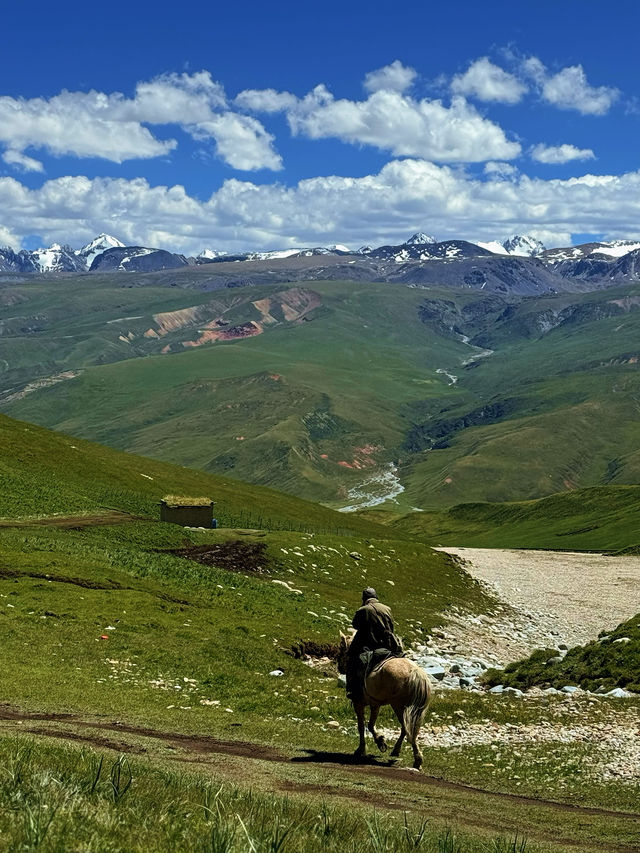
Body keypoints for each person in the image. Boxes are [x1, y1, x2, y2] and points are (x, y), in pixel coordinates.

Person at [346, 587, 403, 703]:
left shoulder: (363, 610)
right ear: (376, 597)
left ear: (364, 599)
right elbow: (391, 627)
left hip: (372, 647)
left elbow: (356, 625)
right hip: (389, 646)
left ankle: (354, 691)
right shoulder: (387, 608)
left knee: (353, 662)